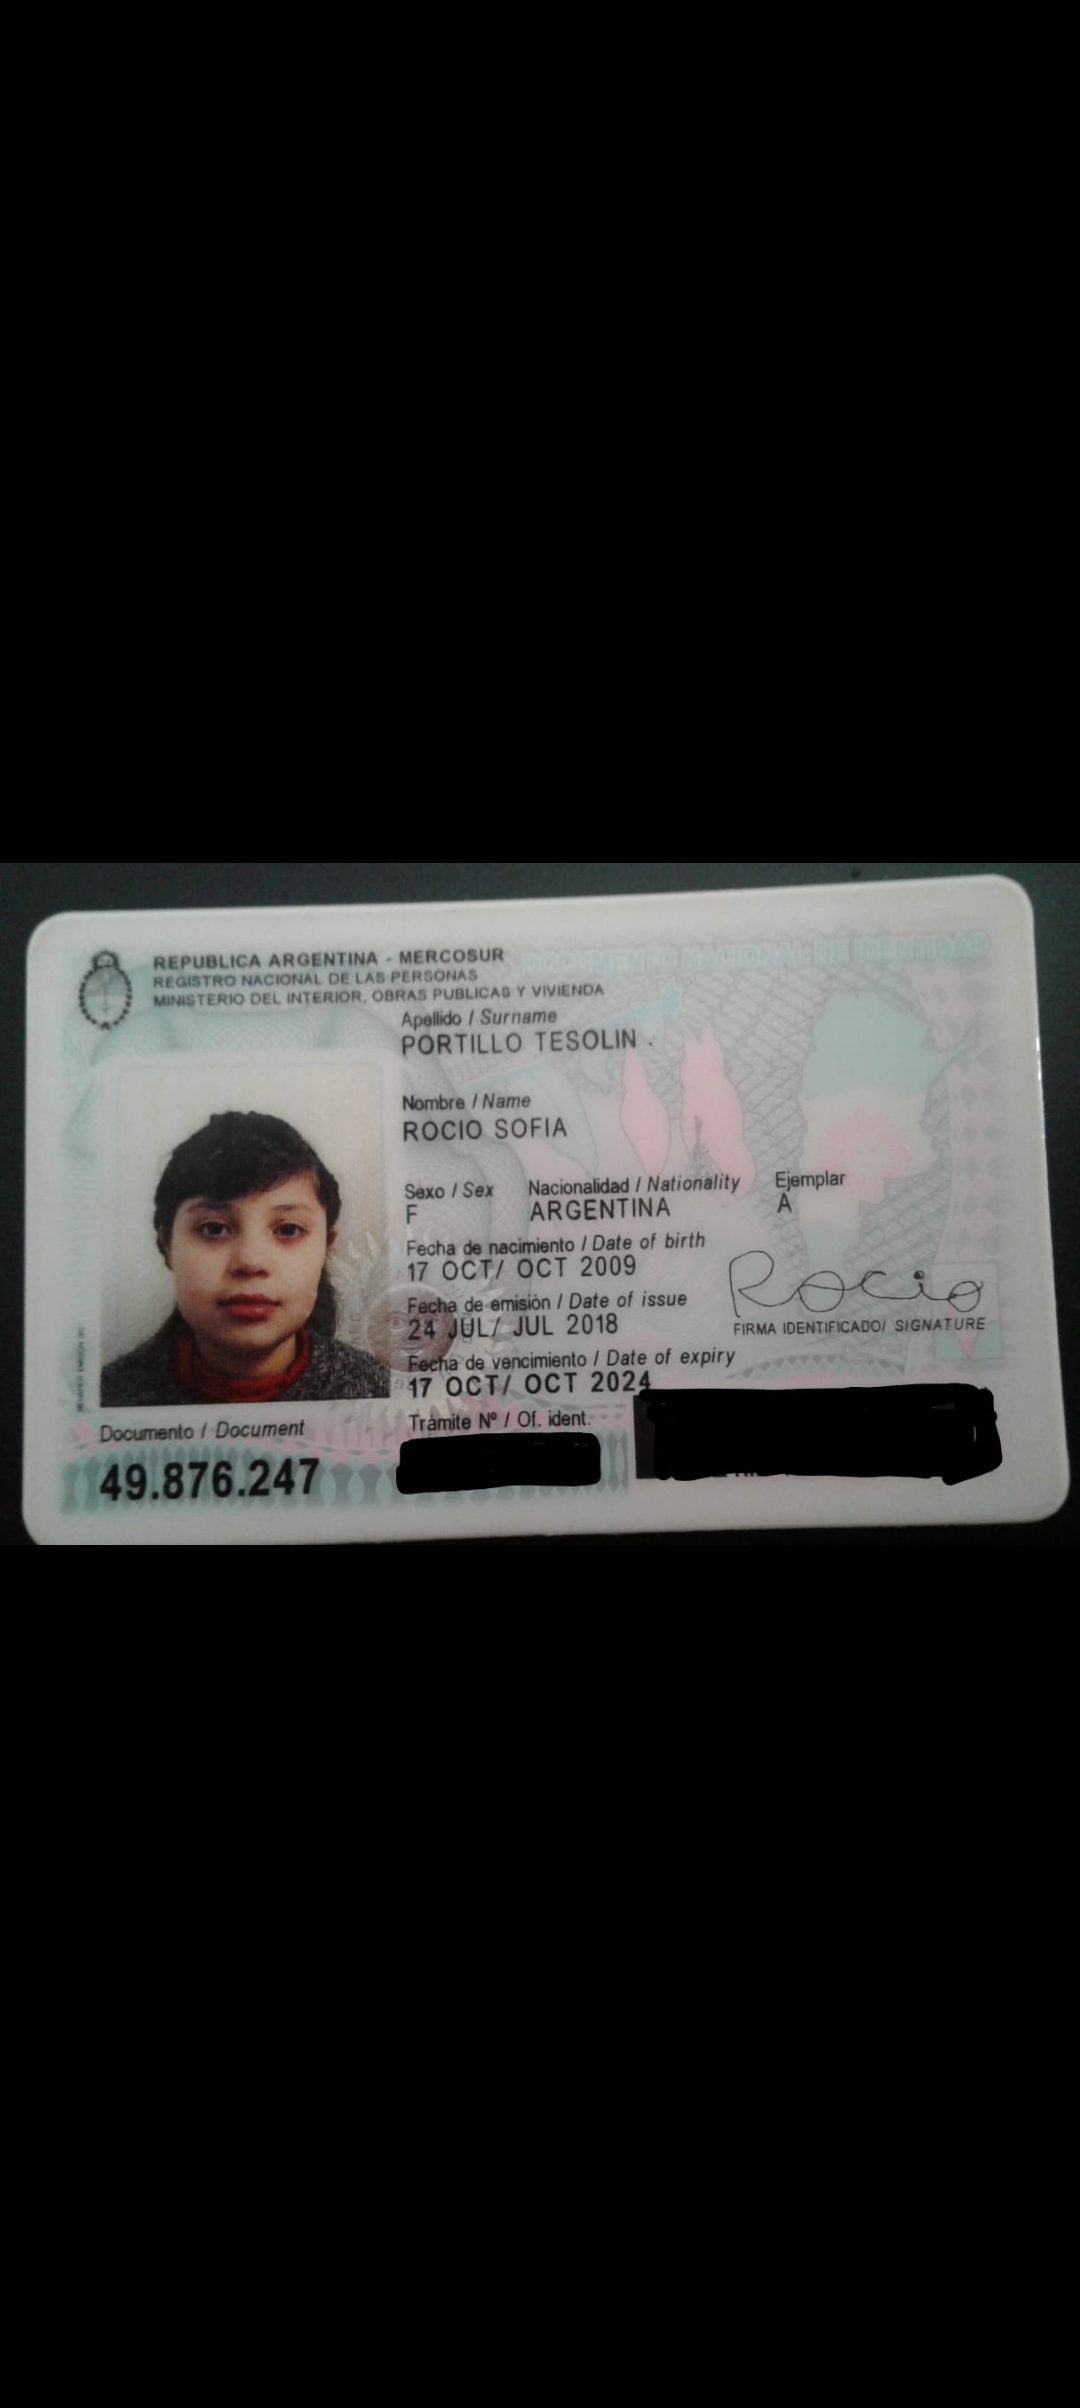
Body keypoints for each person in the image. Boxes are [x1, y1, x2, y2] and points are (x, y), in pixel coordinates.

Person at [101, 1112, 389, 1405]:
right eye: (214, 1229)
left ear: (326, 1249)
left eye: (288, 1230)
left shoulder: (378, 1392)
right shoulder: (109, 1396)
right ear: (167, 1247)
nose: (251, 1262)